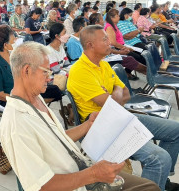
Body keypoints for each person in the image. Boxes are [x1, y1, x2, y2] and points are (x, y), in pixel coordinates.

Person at [0, 41, 159, 191]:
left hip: (81, 170)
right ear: (26, 70)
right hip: (76, 182)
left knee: (150, 186)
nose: (49, 77)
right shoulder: (16, 123)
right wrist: (93, 174)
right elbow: (41, 186)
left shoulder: (34, 97)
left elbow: (56, 138)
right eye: (45, 72)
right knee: (150, 187)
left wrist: (88, 124)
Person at [67, 25, 179, 191]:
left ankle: (161, 180)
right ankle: (155, 182)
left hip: (120, 116)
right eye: (104, 39)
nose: (109, 42)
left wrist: (114, 95)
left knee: (175, 130)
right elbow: (110, 104)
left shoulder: (103, 65)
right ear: (90, 45)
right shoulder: (79, 71)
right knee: (159, 158)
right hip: (99, 126)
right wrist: (115, 96)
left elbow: (125, 93)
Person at [90, 13, 147, 80]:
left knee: (132, 57)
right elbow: (108, 48)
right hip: (103, 58)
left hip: (108, 54)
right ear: (97, 22)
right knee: (130, 59)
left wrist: (120, 51)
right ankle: (150, 75)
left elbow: (109, 47)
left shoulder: (99, 30)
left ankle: (146, 73)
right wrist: (121, 52)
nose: (103, 21)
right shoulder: (97, 32)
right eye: (102, 20)